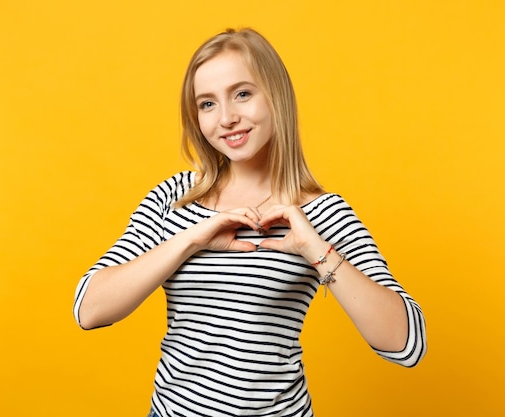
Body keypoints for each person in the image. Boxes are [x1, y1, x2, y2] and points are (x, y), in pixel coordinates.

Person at [74, 27, 427, 417]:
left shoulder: (321, 214)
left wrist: (316, 251)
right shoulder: (175, 197)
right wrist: (190, 241)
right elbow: (88, 309)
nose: (226, 118)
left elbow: (406, 343)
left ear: (276, 96)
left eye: (242, 93)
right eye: (207, 104)